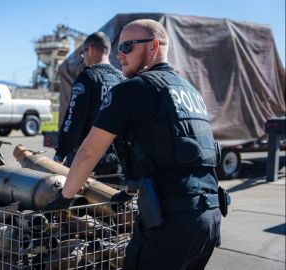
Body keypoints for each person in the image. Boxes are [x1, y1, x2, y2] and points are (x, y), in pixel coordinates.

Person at [44, 19, 226, 270]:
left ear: (153, 46)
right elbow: (168, 152)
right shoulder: (190, 91)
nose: (119, 55)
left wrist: (64, 197)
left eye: (128, 46)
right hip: (209, 219)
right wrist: (129, 190)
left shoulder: (131, 90)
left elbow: (88, 152)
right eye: (119, 48)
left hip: (169, 223)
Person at [54, 31, 126, 186]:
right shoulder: (123, 80)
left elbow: (73, 120)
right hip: (117, 160)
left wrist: (60, 154)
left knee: (78, 205)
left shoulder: (87, 78)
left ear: (91, 49)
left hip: (88, 158)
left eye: (83, 53)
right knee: (112, 206)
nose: (83, 58)